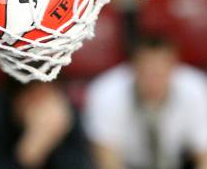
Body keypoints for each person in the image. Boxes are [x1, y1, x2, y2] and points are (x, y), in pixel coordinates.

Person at [84, 36, 207, 169]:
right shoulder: (105, 92)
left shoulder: (196, 88)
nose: (154, 80)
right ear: (132, 68)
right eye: (147, 72)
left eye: (160, 72)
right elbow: (108, 160)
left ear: (174, 68)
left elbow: (204, 155)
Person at [0, 79, 92, 169]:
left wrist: (54, 137)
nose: (42, 109)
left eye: (46, 96)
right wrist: (30, 150)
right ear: (16, 98)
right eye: (34, 98)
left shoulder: (66, 113)